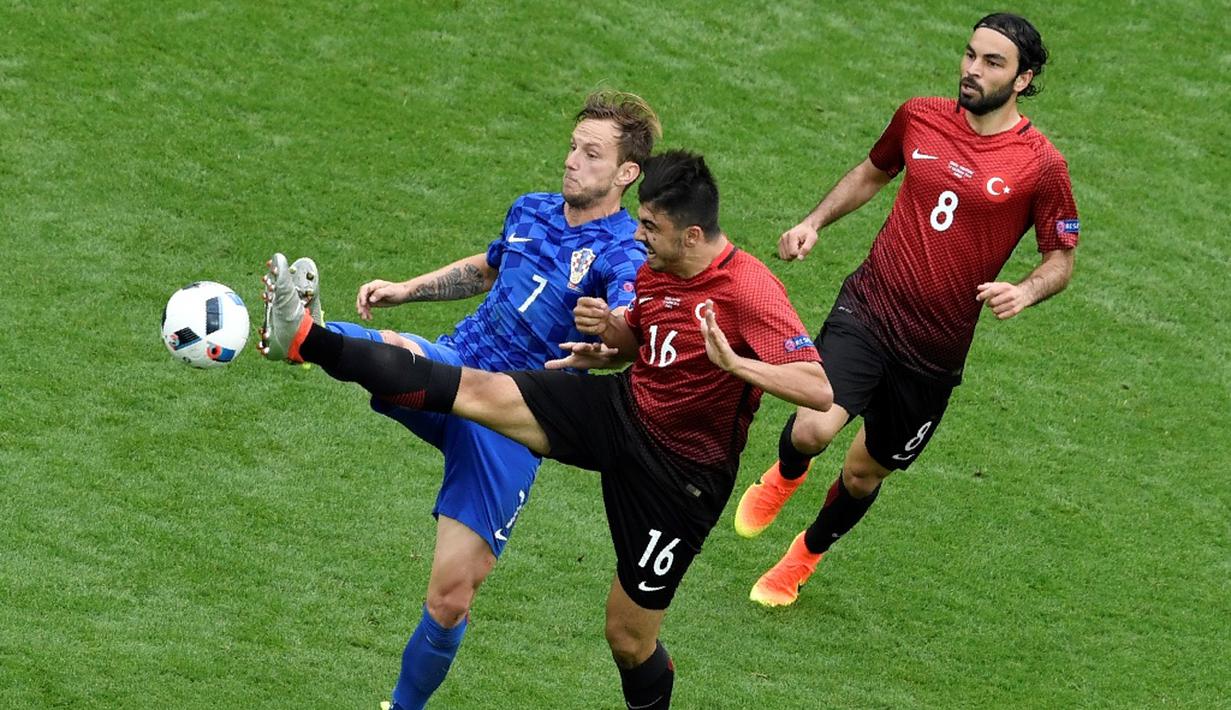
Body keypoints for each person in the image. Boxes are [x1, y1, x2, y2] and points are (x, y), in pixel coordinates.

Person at [259, 150, 832, 709]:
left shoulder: (748, 289)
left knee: (627, 640)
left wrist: (735, 365)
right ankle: (308, 338)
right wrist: (607, 338)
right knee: (475, 387)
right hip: (620, 411)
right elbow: (638, 341)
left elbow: (818, 387)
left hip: (680, 479)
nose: (639, 236)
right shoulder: (657, 270)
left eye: (651, 227)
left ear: (691, 235)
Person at [267, 90, 661, 709]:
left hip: (513, 419)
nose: (572, 161)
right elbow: (488, 268)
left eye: (591, 154)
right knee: (404, 353)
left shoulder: (622, 250)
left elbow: (629, 315)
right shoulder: (531, 209)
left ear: (626, 173)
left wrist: (610, 339)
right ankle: (305, 335)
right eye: (572, 147)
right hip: (458, 362)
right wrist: (408, 288)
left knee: (451, 599)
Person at [731, 12, 1081, 607]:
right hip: (869, 310)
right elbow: (873, 172)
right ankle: (787, 473)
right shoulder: (919, 114)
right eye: (970, 54)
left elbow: (1061, 256)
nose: (972, 70)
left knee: (865, 473)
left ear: (1024, 79)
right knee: (814, 427)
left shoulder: (1041, 164)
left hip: (934, 355)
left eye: (992, 62)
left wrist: (1025, 288)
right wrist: (814, 222)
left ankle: (804, 556)